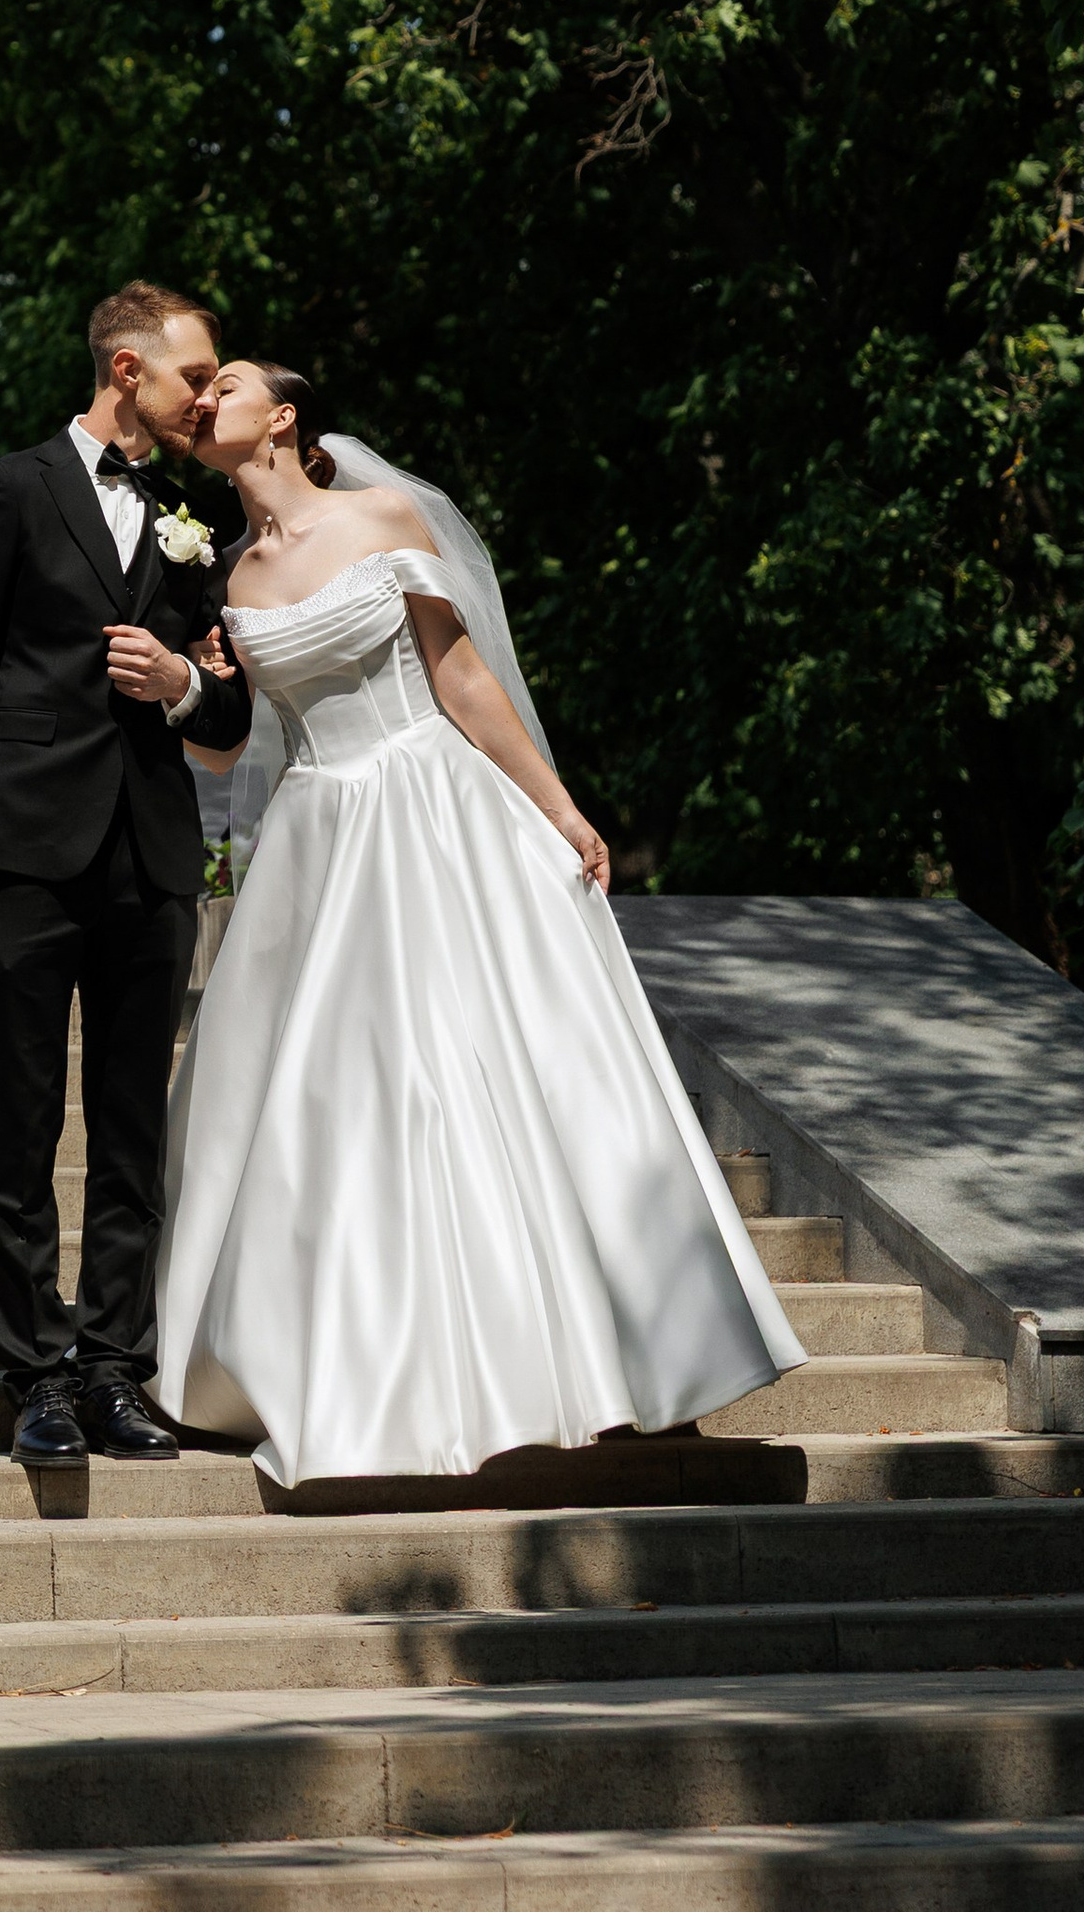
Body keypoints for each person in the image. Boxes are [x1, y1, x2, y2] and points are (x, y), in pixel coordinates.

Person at [153, 359, 804, 1486]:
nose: (205, 398)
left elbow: (457, 676)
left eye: (230, 384)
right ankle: (364, 1371)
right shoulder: (227, 573)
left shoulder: (380, 518)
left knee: (507, 1069)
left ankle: (620, 1358)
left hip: (434, 807)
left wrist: (558, 807)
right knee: (342, 1100)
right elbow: (228, 750)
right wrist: (179, 687)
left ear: (284, 416)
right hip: (317, 836)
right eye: (199, 390)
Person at [0, 283, 257, 1465]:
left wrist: (184, 685)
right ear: (125, 369)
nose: (204, 398)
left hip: (150, 857)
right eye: (192, 376)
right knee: (20, 1124)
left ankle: (113, 1368)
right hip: (18, 852)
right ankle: (35, 1379)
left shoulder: (193, 516)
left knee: (130, 1132)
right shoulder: (6, 488)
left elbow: (230, 714)